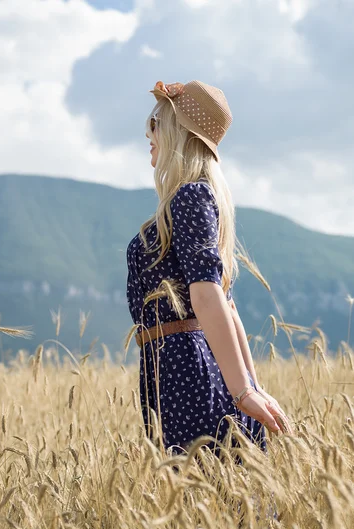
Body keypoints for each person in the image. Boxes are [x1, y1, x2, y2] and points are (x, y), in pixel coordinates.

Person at [126, 80, 294, 460]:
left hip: (188, 373)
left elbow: (211, 297)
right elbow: (227, 305)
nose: (148, 133)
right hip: (176, 371)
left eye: (157, 123)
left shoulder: (190, 197)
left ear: (178, 134)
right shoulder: (193, 197)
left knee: (207, 504)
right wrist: (249, 384)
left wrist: (246, 390)